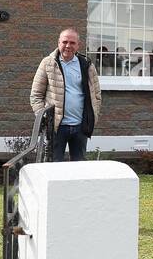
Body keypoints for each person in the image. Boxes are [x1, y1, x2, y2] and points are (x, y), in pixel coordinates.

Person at [29, 28, 102, 161]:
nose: (68, 46)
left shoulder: (86, 64)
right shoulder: (48, 63)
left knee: (79, 167)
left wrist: (93, 116)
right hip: (57, 127)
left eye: (72, 43)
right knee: (54, 166)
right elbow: (36, 95)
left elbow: (96, 95)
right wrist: (45, 118)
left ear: (78, 45)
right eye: (65, 42)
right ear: (58, 43)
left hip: (80, 127)